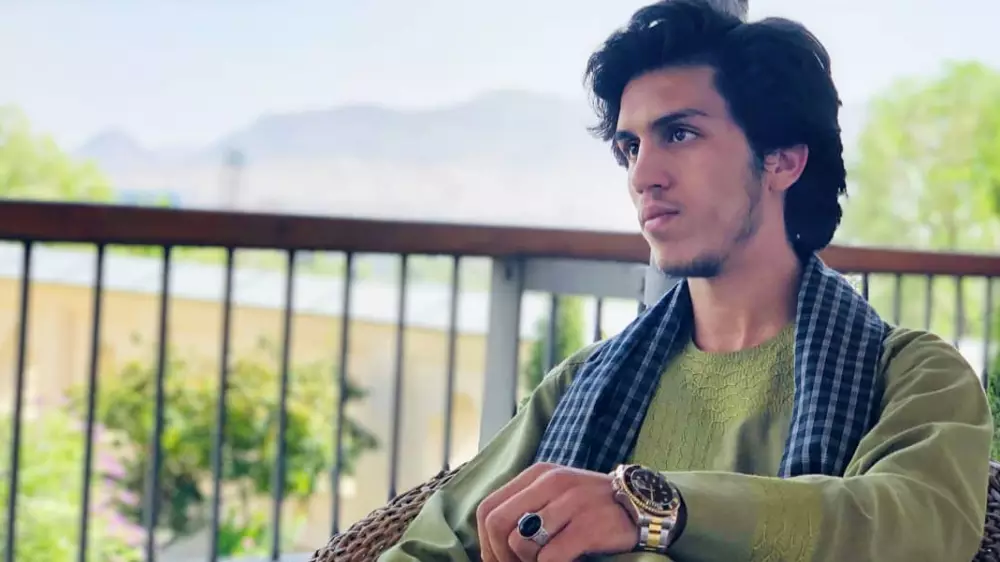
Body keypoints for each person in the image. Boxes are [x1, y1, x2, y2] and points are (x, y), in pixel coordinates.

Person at [378, 1, 992, 560]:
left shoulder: (914, 376)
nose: (643, 175)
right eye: (630, 147)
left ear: (782, 159)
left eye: (679, 133)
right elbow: (429, 545)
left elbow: (913, 528)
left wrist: (650, 507)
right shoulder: (581, 384)